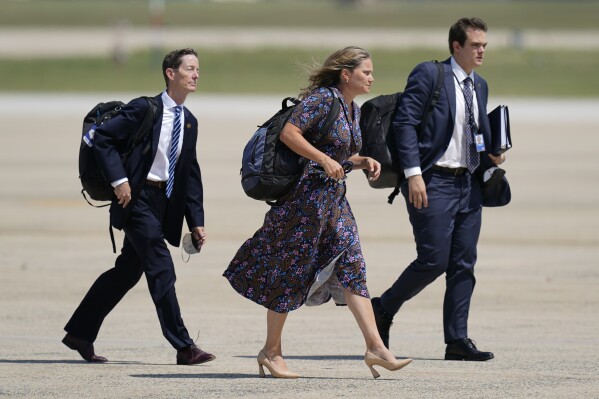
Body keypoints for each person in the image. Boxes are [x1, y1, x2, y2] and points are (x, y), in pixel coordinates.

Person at [223, 46, 412, 379]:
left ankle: (375, 347)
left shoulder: (352, 109)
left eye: (371, 72)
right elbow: (289, 133)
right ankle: (271, 351)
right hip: (303, 204)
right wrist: (322, 159)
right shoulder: (323, 100)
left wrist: (361, 160)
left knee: (353, 265)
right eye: (365, 71)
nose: (371, 77)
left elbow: (338, 153)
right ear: (346, 74)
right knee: (290, 272)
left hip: (334, 203)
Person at [62, 48, 215, 366]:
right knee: (161, 266)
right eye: (189, 68)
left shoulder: (189, 122)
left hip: (164, 202)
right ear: (171, 74)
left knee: (127, 272)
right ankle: (184, 347)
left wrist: (196, 220)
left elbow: (190, 173)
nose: (196, 74)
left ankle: (79, 333)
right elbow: (101, 138)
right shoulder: (144, 108)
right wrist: (119, 180)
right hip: (136, 198)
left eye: (198, 69)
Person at [371, 17, 505, 361]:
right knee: (433, 259)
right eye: (475, 45)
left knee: (463, 263)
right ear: (456, 46)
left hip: (468, 182)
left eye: (484, 46)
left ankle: (457, 340)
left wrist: (493, 154)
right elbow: (405, 123)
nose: (481, 52)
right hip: (432, 180)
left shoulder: (481, 85)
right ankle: (383, 307)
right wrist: (413, 174)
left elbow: (474, 135)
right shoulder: (430, 75)